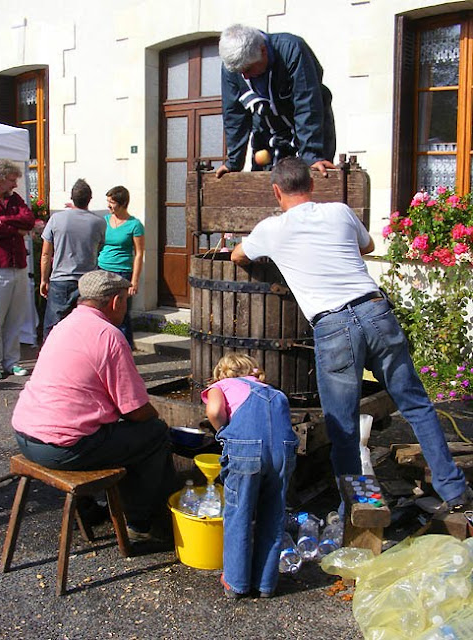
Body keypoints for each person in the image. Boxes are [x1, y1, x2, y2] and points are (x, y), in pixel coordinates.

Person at [231, 156, 472, 513]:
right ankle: (454, 492)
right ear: (312, 186)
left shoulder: (270, 229)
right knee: (416, 404)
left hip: (333, 327)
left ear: (276, 191)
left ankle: (360, 512)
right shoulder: (340, 212)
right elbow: (368, 245)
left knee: (342, 428)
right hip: (375, 311)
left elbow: (238, 256)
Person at [12, 269, 178, 546]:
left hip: (25, 436)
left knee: (114, 431)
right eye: (125, 301)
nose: (125, 309)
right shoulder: (109, 335)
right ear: (115, 302)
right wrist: (156, 418)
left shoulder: (62, 325)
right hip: (60, 448)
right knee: (154, 433)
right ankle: (140, 522)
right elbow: (135, 409)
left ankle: (89, 510)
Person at [202, 353, 298, 599]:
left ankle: (236, 583)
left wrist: (223, 429)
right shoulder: (276, 393)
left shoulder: (221, 386)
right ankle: (266, 584)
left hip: (247, 451)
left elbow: (214, 411)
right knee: (273, 514)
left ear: (222, 373)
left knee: (239, 513)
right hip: (283, 452)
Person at [216, 24, 336, 179]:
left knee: (310, 181)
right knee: (264, 186)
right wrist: (234, 162)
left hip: (310, 128)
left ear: (263, 51)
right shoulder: (231, 69)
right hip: (268, 130)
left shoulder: (293, 50)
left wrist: (312, 156)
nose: (244, 77)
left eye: (248, 69)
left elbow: (307, 105)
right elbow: (234, 114)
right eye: (240, 72)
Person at [40, 178, 106, 341]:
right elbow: (99, 247)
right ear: (89, 199)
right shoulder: (98, 222)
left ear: (72, 198)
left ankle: (51, 360)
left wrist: (43, 279)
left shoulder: (56, 219)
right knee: (84, 327)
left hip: (60, 279)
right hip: (87, 281)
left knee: (54, 326)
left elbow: (46, 254)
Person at [0, 159, 35, 379]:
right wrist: (14, 229)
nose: (15, 185)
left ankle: (12, 361)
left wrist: (4, 219)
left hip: (18, 264)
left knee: (15, 317)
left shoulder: (14, 199)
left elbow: (28, 219)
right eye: (11, 180)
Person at [98, 186, 145, 348]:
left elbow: (139, 254)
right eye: (108, 202)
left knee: (121, 314)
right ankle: (106, 347)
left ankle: (124, 349)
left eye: (112, 202)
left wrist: (134, 281)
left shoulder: (135, 225)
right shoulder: (104, 221)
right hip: (102, 270)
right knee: (102, 311)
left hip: (122, 272)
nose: (109, 206)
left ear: (123, 203)